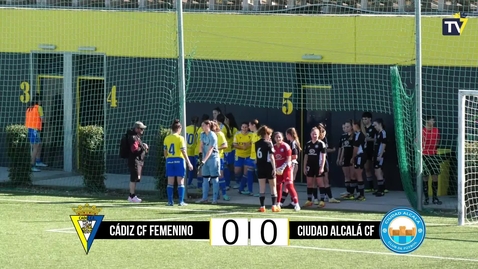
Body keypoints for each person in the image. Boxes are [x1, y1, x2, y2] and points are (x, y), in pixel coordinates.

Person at [163, 119, 194, 206]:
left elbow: (165, 151)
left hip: (169, 160)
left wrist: (167, 159)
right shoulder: (181, 138)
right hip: (179, 161)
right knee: (180, 182)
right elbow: (183, 151)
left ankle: (170, 201)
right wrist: (189, 162)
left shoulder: (167, 138)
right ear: (179, 128)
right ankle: (181, 201)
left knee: (170, 182)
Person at [255, 125, 280, 212]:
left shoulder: (257, 143)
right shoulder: (269, 144)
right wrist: (274, 168)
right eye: (269, 134)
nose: (270, 136)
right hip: (268, 166)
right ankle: (274, 206)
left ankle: (262, 206)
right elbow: (271, 157)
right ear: (265, 134)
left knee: (261, 187)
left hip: (260, 166)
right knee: (273, 186)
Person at [274, 132, 301, 211]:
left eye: (279, 137)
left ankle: (296, 204)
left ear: (282, 138)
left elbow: (288, 160)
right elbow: (272, 159)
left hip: (286, 168)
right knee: (278, 186)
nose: (278, 139)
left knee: (289, 185)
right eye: (276, 137)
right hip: (278, 169)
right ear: (274, 138)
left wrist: (282, 168)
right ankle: (278, 204)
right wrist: (275, 168)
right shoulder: (273, 147)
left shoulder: (286, 146)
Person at [196, 120, 221, 204]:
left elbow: (210, 150)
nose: (202, 127)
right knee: (205, 179)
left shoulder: (213, 135)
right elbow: (201, 146)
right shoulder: (202, 134)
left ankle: (214, 199)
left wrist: (203, 160)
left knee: (214, 179)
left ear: (208, 126)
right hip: (204, 159)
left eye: (203, 125)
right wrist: (200, 158)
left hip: (213, 158)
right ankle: (204, 198)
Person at [303, 126, 328, 208]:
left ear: (319, 134)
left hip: (318, 165)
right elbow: (306, 156)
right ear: (310, 134)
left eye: (316, 134)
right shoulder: (308, 144)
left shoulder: (321, 144)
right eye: (313, 134)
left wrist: (322, 167)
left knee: (320, 183)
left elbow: (324, 157)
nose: (314, 135)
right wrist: (304, 167)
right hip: (310, 166)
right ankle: (309, 200)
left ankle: (322, 201)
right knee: (309, 183)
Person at [422, 116, 442, 205]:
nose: (433, 122)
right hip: (424, 156)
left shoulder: (436, 130)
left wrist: (432, 149)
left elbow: (437, 142)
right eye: (431, 121)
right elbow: (416, 141)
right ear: (426, 121)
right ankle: (426, 198)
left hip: (433, 155)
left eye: (434, 121)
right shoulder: (422, 131)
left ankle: (435, 198)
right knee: (425, 177)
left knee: (435, 176)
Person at [127, 121, 149, 203]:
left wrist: (143, 146)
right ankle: (132, 196)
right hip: (134, 161)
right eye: (141, 128)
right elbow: (134, 150)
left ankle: (132, 195)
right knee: (134, 178)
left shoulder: (137, 137)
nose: (143, 130)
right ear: (137, 129)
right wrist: (143, 148)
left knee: (136, 178)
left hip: (138, 160)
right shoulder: (133, 137)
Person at [319, 123, 340, 204]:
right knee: (317, 181)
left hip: (324, 162)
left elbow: (325, 151)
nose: (323, 133)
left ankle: (329, 197)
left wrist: (331, 150)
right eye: (321, 132)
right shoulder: (317, 142)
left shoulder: (325, 140)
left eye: (324, 131)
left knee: (325, 180)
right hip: (317, 162)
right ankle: (316, 198)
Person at [25, 98, 48, 172]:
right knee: (35, 147)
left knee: (39, 144)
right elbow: (43, 119)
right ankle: (32, 165)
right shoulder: (39, 107)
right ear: (38, 101)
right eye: (40, 100)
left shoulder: (29, 108)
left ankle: (38, 161)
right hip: (34, 129)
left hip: (30, 129)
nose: (41, 101)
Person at [217, 113, 238, 191]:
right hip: (229, 151)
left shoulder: (225, 129)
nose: (225, 120)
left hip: (226, 151)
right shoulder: (230, 128)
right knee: (228, 167)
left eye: (226, 119)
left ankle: (226, 184)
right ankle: (227, 183)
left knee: (226, 167)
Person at [212, 121, 230, 201]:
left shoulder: (220, 134)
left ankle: (224, 194)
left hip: (219, 157)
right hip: (210, 158)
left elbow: (225, 145)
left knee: (220, 175)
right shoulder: (207, 134)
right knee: (213, 177)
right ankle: (216, 194)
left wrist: (217, 148)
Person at [337, 120, 355, 199]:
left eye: (348, 127)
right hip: (345, 158)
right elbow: (341, 148)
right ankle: (348, 192)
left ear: (352, 127)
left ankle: (353, 192)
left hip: (352, 157)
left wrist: (353, 157)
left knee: (352, 176)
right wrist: (339, 158)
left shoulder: (355, 136)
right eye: (345, 127)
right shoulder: (343, 137)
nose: (346, 128)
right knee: (346, 175)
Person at [233, 122, 252, 192]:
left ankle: (243, 184)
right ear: (241, 127)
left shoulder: (251, 135)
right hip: (239, 155)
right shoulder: (237, 134)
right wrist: (242, 147)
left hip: (248, 155)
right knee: (237, 171)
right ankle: (238, 182)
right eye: (243, 127)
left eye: (246, 127)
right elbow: (234, 144)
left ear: (248, 128)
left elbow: (252, 143)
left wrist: (248, 145)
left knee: (246, 172)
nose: (244, 128)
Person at [350, 120, 367, 201]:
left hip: (360, 156)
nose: (352, 127)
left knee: (359, 175)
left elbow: (356, 148)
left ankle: (361, 194)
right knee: (353, 174)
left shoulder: (360, 135)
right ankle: (353, 193)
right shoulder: (357, 134)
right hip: (359, 156)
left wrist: (353, 157)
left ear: (356, 125)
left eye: (353, 125)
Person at [244, 119, 261, 196]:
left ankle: (261, 192)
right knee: (249, 173)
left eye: (249, 125)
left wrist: (257, 159)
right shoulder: (253, 134)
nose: (248, 127)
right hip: (251, 157)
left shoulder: (259, 134)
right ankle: (249, 190)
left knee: (259, 176)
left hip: (256, 158)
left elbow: (259, 148)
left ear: (254, 125)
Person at [361, 112, 377, 193]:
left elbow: (377, 138)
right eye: (363, 119)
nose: (364, 120)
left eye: (366, 119)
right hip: (365, 151)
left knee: (377, 168)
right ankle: (370, 186)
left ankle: (380, 186)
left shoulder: (374, 127)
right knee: (367, 168)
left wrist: (369, 139)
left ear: (370, 119)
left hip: (373, 150)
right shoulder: (362, 129)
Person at [194, 114, 210, 192]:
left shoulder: (199, 128)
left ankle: (200, 186)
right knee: (201, 169)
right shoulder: (202, 130)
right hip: (201, 151)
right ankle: (200, 186)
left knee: (200, 169)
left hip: (198, 150)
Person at [373, 118, 387, 197]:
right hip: (376, 154)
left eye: (375, 125)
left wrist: (380, 155)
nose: (374, 127)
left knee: (378, 172)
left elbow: (384, 144)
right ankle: (380, 188)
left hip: (380, 155)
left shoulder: (383, 133)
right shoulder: (377, 133)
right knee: (377, 172)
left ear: (380, 124)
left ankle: (381, 190)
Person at [185, 116, 200, 188]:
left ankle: (185, 183)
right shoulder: (198, 129)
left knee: (186, 168)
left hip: (185, 151)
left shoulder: (186, 128)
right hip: (193, 152)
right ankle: (189, 183)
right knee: (192, 169)